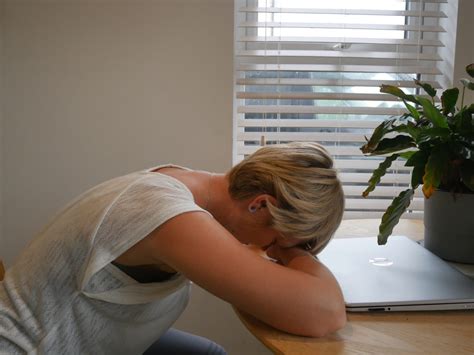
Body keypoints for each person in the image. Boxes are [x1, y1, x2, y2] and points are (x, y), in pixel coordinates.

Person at [0, 142, 346, 354]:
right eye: (275, 243)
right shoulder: (170, 217)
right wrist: (296, 252)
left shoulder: (187, 183)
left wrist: (288, 240)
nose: (270, 252)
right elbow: (325, 314)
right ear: (259, 205)